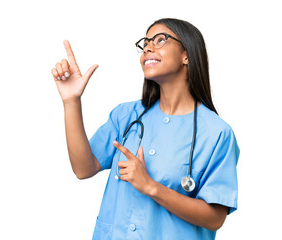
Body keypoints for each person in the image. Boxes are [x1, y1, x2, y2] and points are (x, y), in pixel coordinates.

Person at [51, 18, 240, 240]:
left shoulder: (216, 133)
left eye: (161, 40)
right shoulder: (126, 115)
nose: (148, 48)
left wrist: (151, 187)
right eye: (145, 43)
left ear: (186, 55)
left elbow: (214, 218)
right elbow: (83, 169)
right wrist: (71, 102)